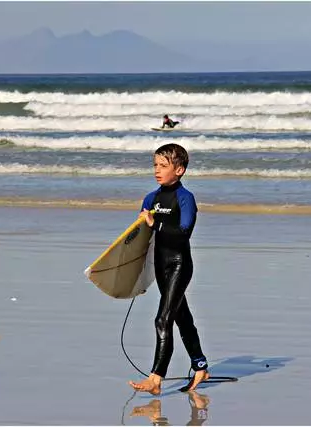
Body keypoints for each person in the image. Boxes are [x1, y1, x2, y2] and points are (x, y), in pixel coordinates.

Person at [128, 143, 209, 395]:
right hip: (160, 266)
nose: (157, 170)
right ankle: (200, 366)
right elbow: (142, 241)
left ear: (180, 169)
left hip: (179, 265)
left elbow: (184, 233)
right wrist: (137, 278)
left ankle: (155, 378)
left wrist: (155, 224)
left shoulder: (185, 198)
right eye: (155, 165)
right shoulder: (151, 198)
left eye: (163, 165)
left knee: (163, 319)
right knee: (182, 318)